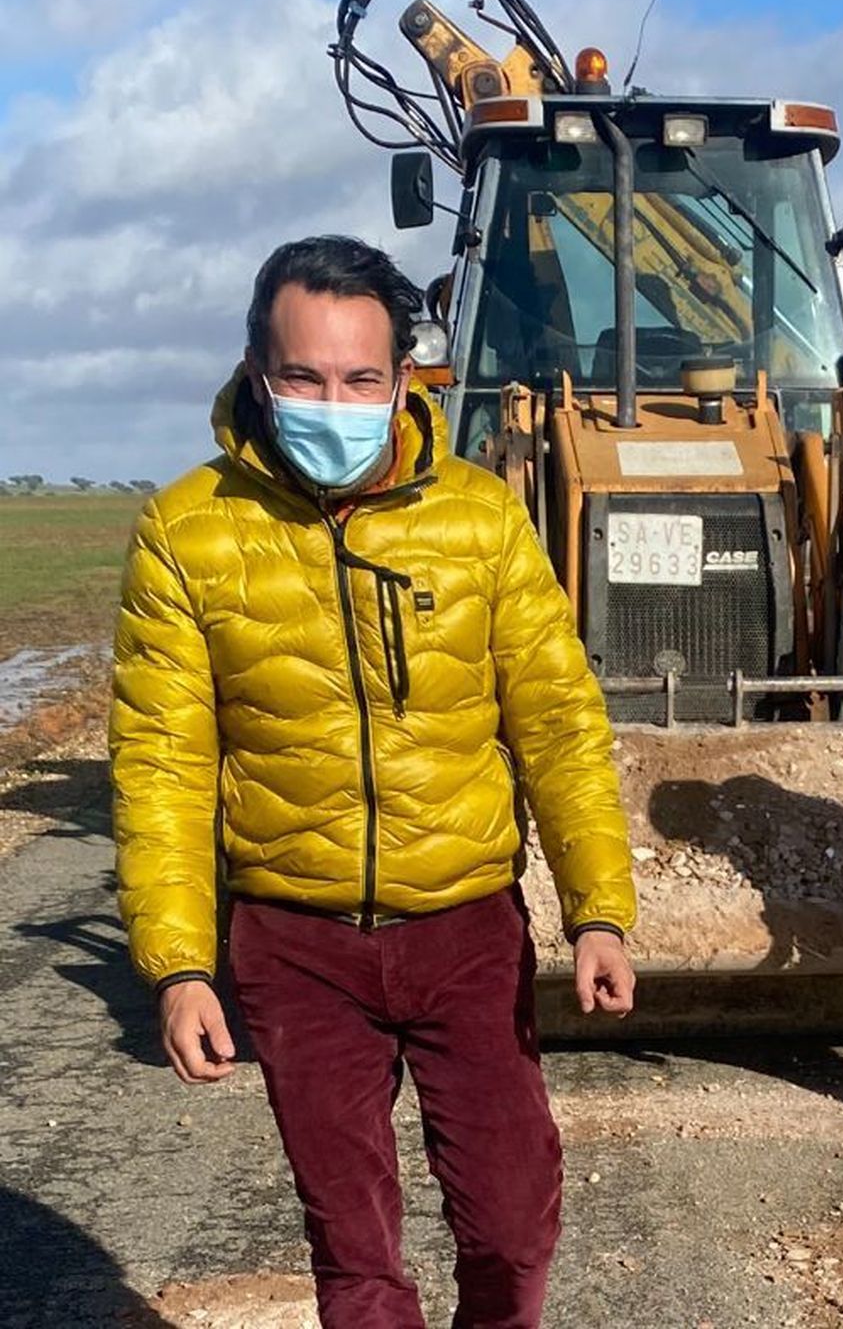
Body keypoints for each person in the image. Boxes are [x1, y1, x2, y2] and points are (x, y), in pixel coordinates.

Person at [110, 235, 637, 1326]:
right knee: (353, 1250)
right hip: (294, 945)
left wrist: (600, 909)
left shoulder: (482, 520)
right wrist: (177, 965)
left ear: (404, 379)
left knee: (510, 1224)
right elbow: (160, 764)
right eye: (302, 376)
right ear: (258, 373)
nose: (331, 401)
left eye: (360, 378)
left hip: (464, 933)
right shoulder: (186, 532)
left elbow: (558, 723)